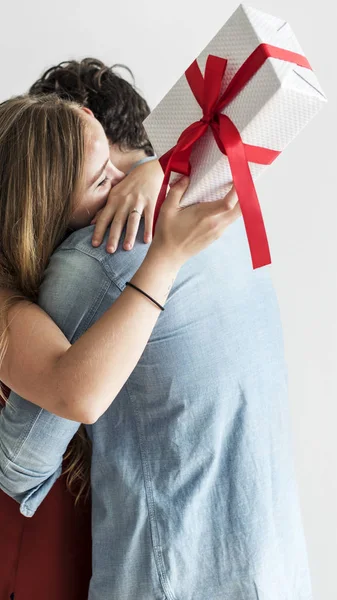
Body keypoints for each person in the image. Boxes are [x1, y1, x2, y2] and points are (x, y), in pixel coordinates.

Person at [0, 86, 313, 599]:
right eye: (103, 178)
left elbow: (20, 466)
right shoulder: (215, 215)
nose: (124, 186)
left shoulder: (94, 259)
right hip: (278, 570)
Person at [0, 58, 169, 599]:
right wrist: (167, 257)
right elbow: (80, 393)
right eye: (103, 180)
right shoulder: (7, 304)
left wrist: (154, 170)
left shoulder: (50, 273)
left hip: (82, 542)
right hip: (25, 552)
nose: (121, 188)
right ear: (44, 208)